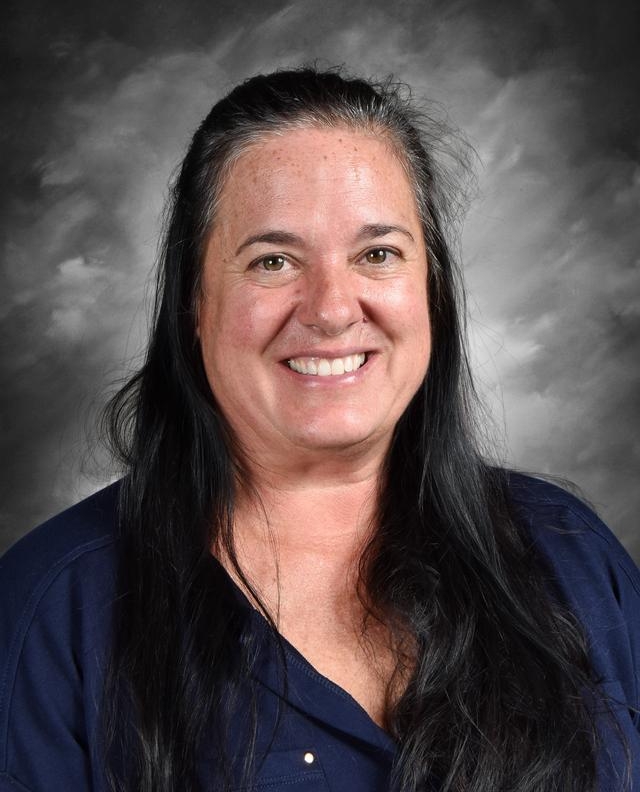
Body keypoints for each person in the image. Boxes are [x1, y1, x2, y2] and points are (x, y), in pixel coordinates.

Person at [0, 67, 638, 792]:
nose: (333, 309)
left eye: (377, 254)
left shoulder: (575, 560)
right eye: (273, 261)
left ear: (429, 289)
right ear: (194, 305)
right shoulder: (51, 613)